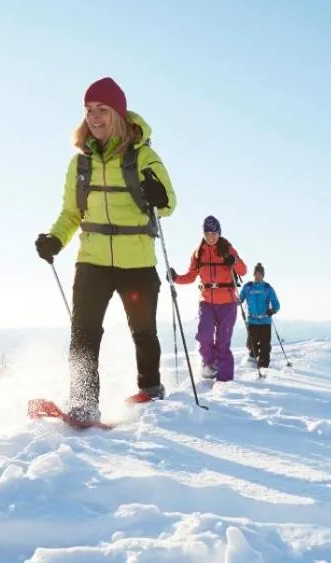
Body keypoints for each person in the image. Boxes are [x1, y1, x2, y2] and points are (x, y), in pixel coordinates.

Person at [34, 77, 176, 424]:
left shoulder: (143, 155)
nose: (94, 118)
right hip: (93, 259)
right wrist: (55, 239)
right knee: (83, 332)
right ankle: (83, 402)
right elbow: (71, 214)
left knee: (143, 332)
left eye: (102, 110)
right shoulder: (80, 163)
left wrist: (157, 194)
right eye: (89, 111)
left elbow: (169, 204)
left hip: (137, 260)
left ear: (119, 113)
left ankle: (150, 388)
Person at [169, 216, 243, 381]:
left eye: (214, 233)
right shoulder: (198, 253)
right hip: (207, 302)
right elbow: (190, 276)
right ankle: (209, 364)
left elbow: (243, 270)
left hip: (227, 303)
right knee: (204, 336)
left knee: (223, 343)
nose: (211, 237)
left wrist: (234, 261)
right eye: (207, 233)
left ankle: (225, 382)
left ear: (219, 233)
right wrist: (175, 278)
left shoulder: (228, 250)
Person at [240, 263, 281, 369]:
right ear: (254, 275)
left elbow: (276, 304)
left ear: (263, 275)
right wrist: (236, 301)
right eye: (256, 274)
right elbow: (240, 299)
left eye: (260, 274)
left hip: (265, 321)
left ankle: (263, 366)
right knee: (250, 344)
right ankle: (254, 357)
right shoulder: (248, 287)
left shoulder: (268, 288)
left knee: (265, 345)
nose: (258, 276)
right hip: (252, 320)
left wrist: (272, 310)